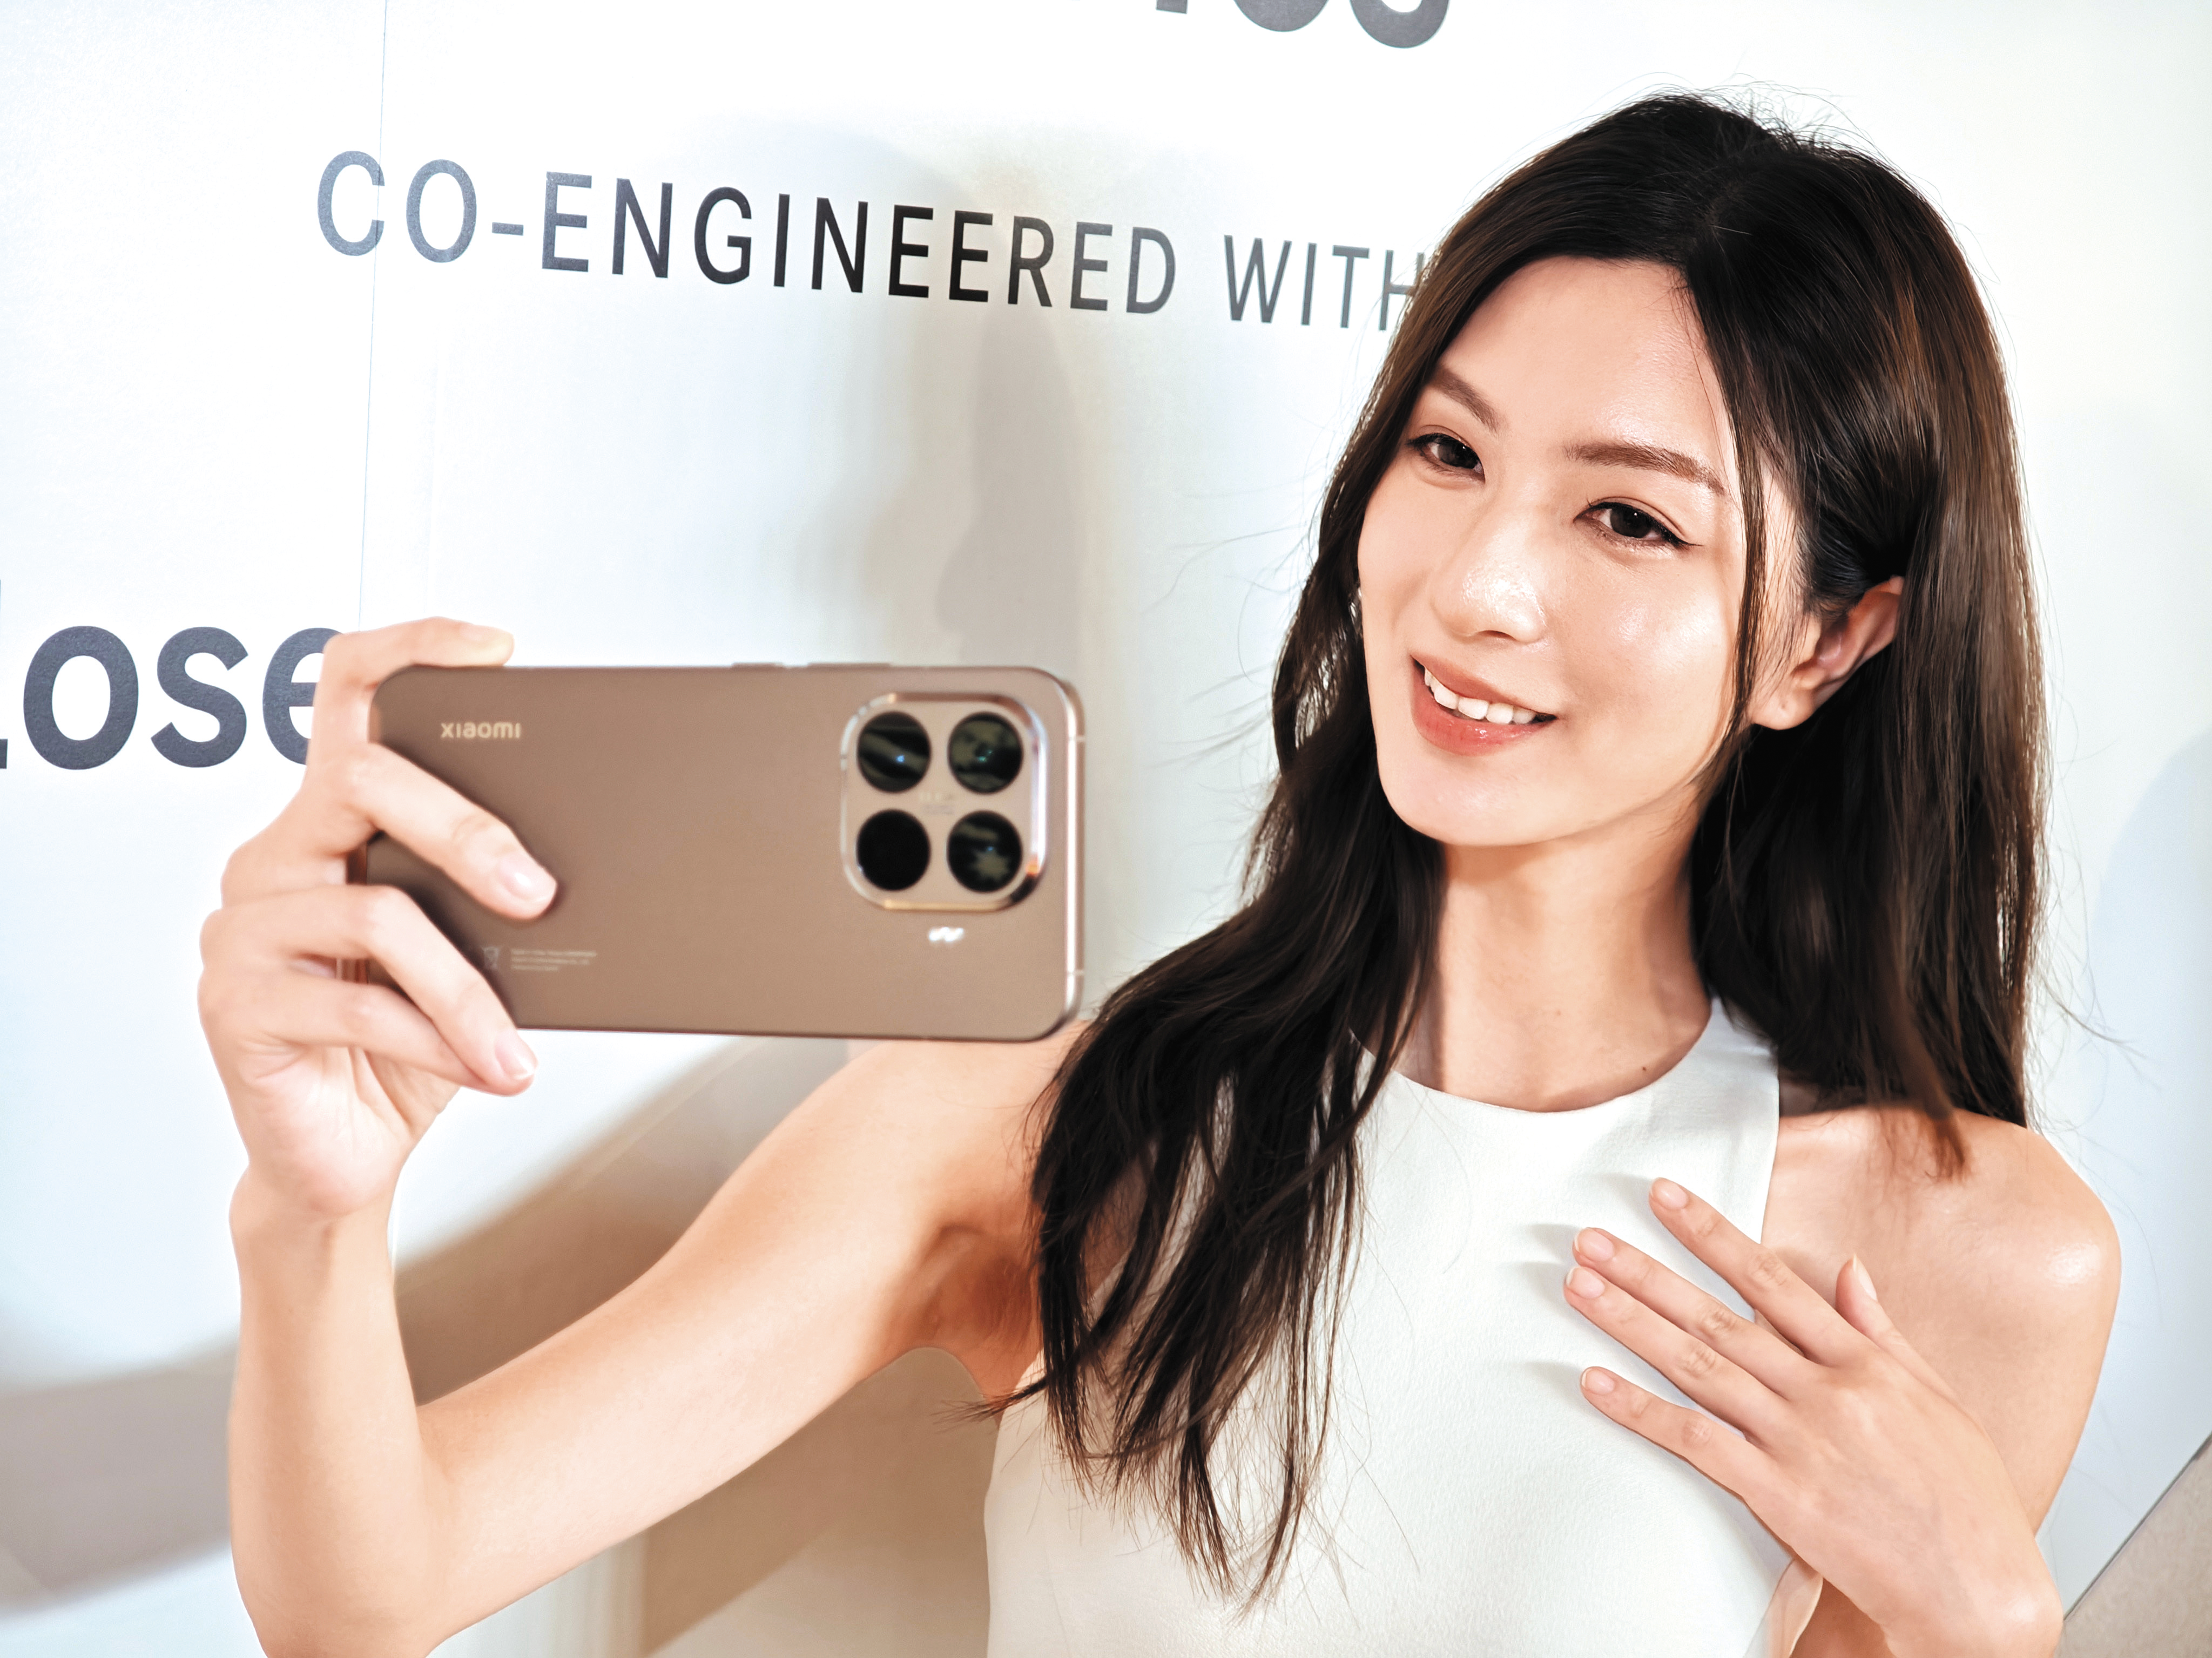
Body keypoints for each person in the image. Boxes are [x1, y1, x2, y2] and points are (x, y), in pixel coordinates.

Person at [202, 94, 2117, 1657]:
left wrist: (1989, 1631)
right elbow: (364, 1595)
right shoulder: (1048, 1116)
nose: (1476, 584)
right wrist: (312, 1215)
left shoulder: (1972, 1256)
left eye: (1626, 517)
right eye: (1448, 453)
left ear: (1824, 644)